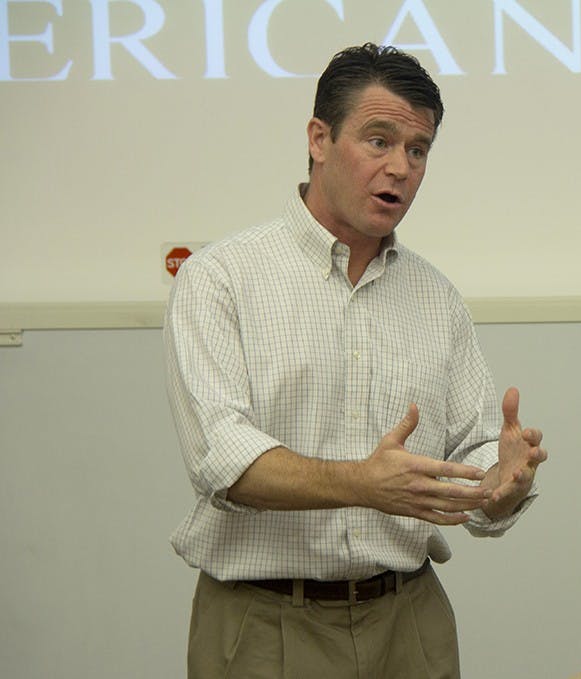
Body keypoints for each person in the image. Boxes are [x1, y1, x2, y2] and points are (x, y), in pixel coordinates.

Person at [163, 42, 547, 679]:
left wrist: (499, 484)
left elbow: (470, 454)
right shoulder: (222, 278)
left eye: (417, 150)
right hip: (265, 625)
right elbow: (221, 460)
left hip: (409, 619)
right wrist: (361, 483)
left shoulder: (436, 296)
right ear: (319, 138)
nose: (400, 167)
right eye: (378, 140)